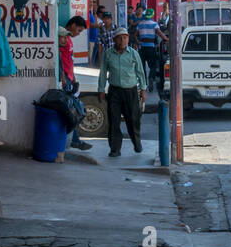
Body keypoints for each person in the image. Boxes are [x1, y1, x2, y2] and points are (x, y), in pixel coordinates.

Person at [98, 26, 146, 157]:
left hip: (130, 91)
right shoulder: (108, 54)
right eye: (120, 38)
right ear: (114, 40)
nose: (123, 40)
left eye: (125, 38)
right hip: (114, 91)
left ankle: (137, 143)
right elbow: (103, 73)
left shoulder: (133, 53)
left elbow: (140, 73)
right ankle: (115, 149)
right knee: (114, 120)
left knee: (133, 119)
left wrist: (143, 89)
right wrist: (101, 89)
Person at [60, 16, 93, 151]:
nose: (78, 33)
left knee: (73, 110)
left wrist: (73, 78)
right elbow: (60, 59)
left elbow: (70, 61)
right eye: (78, 30)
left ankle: (75, 140)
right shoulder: (62, 38)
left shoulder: (68, 40)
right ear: (72, 25)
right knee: (71, 111)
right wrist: (63, 77)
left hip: (69, 78)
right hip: (65, 79)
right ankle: (75, 141)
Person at [135, 8, 160, 88]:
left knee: (142, 66)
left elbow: (135, 35)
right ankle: (151, 77)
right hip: (151, 47)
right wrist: (166, 39)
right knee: (153, 65)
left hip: (142, 47)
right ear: (152, 15)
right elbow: (159, 33)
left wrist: (138, 42)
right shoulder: (154, 24)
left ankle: (144, 83)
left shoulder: (140, 24)